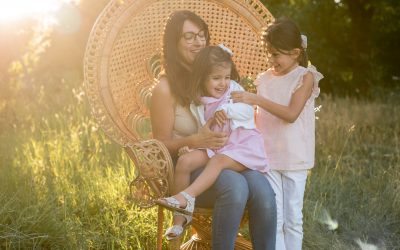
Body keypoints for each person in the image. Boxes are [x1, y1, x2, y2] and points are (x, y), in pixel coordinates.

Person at [150, 10, 276, 250]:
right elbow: (159, 144)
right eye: (188, 36)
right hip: (189, 168)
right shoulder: (165, 88)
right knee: (235, 185)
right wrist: (196, 139)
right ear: (173, 43)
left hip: (225, 155)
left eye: (201, 35)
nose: (197, 42)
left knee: (263, 190)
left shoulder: (217, 77)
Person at [231, 18, 324, 250]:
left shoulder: (306, 76)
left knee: (293, 218)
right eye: (268, 54)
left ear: (295, 52)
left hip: (294, 158)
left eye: (276, 55)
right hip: (268, 156)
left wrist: (257, 100)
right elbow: (259, 116)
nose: (271, 60)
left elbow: (291, 114)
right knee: (276, 218)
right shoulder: (265, 79)